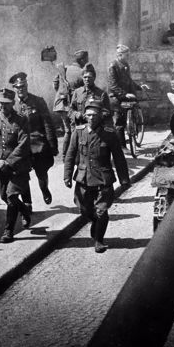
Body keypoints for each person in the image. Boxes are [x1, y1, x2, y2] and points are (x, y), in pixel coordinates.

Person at [64, 100, 130, 253]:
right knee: (84, 210)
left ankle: (99, 240)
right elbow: (70, 155)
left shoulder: (109, 134)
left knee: (101, 210)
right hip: (83, 178)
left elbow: (119, 158)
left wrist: (124, 179)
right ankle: (95, 222)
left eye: (94, 115)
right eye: (88, 115)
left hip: (103, 179)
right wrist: (67, 175)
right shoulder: (78, 132)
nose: (91, 118)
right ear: (85, 116)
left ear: (100, 116)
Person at [0, 88, 33, 244]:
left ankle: (8, 231)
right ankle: (24, 210)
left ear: (13, 103)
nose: (2, 106)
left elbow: (23, 144)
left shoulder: (21, 120)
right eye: (0, 103)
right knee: (4, 196)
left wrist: (9, 162)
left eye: (6, 103)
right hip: (0, 168)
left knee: (11, 197)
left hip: (17, 167)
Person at [10, 72, 58, 207]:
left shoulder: (38, 101)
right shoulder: (12, 105)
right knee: (22, 175)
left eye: (23, 86)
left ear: (27, 86)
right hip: (20, 146)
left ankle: (44, 189)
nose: (21, 89)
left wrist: (52, 145)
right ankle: (28, 204)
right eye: (18, 87)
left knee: (41, 173)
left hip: (37, 145)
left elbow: (47, 124)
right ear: (14, 88)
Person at [107, 44, 150, 146]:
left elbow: (129, 81)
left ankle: (133, 130)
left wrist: (139, 87)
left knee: (133, 108)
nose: (128, 57)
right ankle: (122, 146)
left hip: (126, 95)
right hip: (115, 96)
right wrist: (124, 94)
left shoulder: (126, 65)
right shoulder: (113, 66)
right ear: (120, 55)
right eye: (127, 55)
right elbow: (113, 85)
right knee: (119, 122)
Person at [54, 50, 89, 158]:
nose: (87, 61)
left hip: (60, 103)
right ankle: (74, 156)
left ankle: (65, 156)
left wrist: (62, 93)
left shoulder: (64, 68)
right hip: (71, 105)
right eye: (86, 59)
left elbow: (55, 83)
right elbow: (84, 91)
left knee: (68, 130)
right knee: (74, 130)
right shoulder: (82, 72)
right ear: (82, 60)